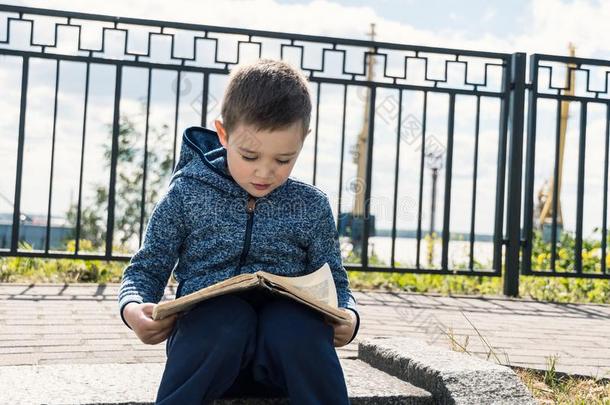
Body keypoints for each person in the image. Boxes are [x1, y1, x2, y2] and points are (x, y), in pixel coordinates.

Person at [118, 58, 361, 404]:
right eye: (249, 156)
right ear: (223, 133)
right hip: (207, 352)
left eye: (283, 159)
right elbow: (146, 268)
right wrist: (134, 308)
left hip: (286, 363)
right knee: (226, 317)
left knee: (295, 325)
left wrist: (349, 317)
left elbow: (335, 283)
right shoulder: (187, 193)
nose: (264, 172)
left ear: (303, 140)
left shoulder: (311, 206)